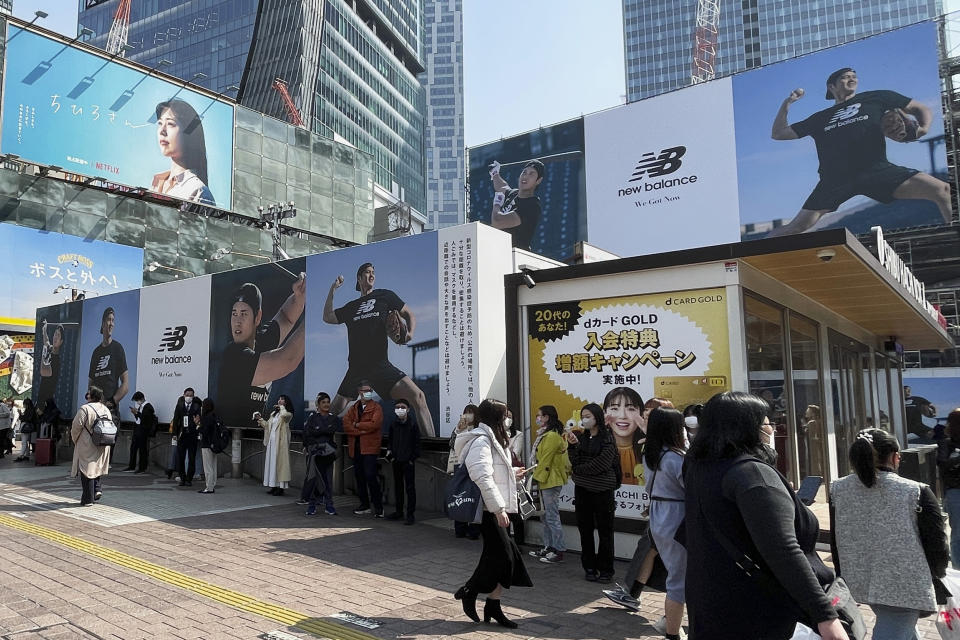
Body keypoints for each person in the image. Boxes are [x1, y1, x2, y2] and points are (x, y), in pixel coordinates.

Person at [683, 391, 845, 640]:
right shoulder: (753, 475)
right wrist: (825, 616)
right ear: (748, 427)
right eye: (767, 422)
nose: (771, 428)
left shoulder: (698, 465)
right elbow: (784, 551)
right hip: (759, 611)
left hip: (709, 602)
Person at [768, 68, 951, 237]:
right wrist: (787, 103)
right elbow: (778, 133)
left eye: (854, 76)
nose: (852, 78)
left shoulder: (877, 97)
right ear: (831, 86)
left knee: (943, 190)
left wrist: (924, 129)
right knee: (795, 228)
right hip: (835, 180)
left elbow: (920, 108)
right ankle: (752, 256)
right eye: (845, 76)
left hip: (877, 170)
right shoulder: (819, 118)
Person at [832, 427, 948, 639]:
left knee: (901, 628)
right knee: (895, 627)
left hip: (859, 577)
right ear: (895, 457)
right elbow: (937, 542)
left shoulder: (837, 489)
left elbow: (835, 538)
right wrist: (938, 573)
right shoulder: (916, 490)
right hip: (906, 582)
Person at [323, 263, 434, 438]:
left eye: (373, 272)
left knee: (419, 397)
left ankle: (432, 449)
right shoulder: (351, 307)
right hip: (356, 370)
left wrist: (410, 334)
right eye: (367, 272)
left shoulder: (385, 296)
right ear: (359, 279)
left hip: (380, 366)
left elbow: (409, 314)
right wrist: (333, 289)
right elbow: (327, 317)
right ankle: (316, 441)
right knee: (330, 413)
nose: (371, 275)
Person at [453, 398, 532, 629]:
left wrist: (513, 473)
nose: (508, 418)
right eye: (505, 414)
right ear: (496, 417)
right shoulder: (481, 440)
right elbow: (482, 476)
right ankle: (470, 591)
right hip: (489, 509)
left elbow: (494, 473)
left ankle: (492, 604)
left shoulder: (495, 439)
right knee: (505, 556)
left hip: (498, 506)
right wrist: (498, 509)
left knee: (499, 557)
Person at [216, 279, 306, 429]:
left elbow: (285, 317)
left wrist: (299, 295)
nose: (237, 321)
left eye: (243, 314)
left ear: (257, 317)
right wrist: (314, 315)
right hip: (232, 442)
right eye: (234, 314)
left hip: (256, 437)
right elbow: (288, 360)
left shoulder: (261, 342)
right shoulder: (234, 356)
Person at [642, 408, 688, 640]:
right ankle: (672, 632)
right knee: (678, 580)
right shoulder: (676, 457)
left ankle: (668, 622)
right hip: (676, 516)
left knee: (675, 573)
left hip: (659, 515)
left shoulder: (650, 453)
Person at [567, 402, 617, 583]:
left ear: (598, 418)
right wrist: (572, 446)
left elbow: (602, 464)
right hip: (582, 492)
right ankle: (589, 567)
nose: (584, 420)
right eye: (583, 416)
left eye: (588, 416)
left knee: (605, 532)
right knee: (585, 531)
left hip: (603, 491)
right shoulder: (580, 438)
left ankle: (606, 570)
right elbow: (574, 460)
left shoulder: (608, 438)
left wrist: (579, 471)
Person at [150, 98, 215, 205]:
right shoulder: (156, 183)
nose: (162, 131)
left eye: (170, 124)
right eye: (160, 123)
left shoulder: (198, 191)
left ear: (189, 133)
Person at [529, 405, 569, 564]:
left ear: (546, 417)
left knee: (551, 516)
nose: (537, 418)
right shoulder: (545, 434)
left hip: (549, 480)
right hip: (544, 478)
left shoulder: (551, 436)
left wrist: (536, 477)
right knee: (545, 516)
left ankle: (558, 550)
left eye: (539, 415)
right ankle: (549, 547)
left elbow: (545, 460)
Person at [342, 381, 384, 516]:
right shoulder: (353, 408)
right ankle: (364, 505)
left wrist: (357, 425)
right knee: (359, 477)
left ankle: (378, 507)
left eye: (369, 390)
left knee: (371, 476)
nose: (367, 392)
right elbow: (346, 425)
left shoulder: (376, 407)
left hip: (370, 449)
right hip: (356, 448)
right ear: (359, 392)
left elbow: (374, 424)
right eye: (364, 390)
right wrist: (360, 431)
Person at [488, 159, 545, 251]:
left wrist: (497, 203)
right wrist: (495, 173)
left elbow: (497, 222)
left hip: (514, 257)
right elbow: (502, 186)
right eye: (524, 172)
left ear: (538, 180)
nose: (526, 176)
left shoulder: (532, 206)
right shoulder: (514, 193)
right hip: (499, 252)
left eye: (531, 174)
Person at [71, 386, 113, 506]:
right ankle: (97, 489)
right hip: (104, 443)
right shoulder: (105, 409)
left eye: (88, 394)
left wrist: (76, 440)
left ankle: (88, 499)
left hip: (87, 444)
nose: (86, 395)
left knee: (87, 470)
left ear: (92, 396)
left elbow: (76, 427)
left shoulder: (85, 409)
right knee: (97, 467)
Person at [302, 392, 342, 516]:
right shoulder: (312, 417)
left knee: (328, 480)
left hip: (328, 454)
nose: (326, 404)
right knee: (313, 479)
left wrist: (318, 430)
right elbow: (307, 433)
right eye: (323, 402)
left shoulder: (334, 418)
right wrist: (318, 434)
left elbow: (331, 430)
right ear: (318, 404)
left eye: (328, 402)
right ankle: (312, 505)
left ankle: (329, 505)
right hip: (315, 453)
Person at [87, 306, 129, 417]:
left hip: (111, 413)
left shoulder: (117, 348)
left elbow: (125, 384)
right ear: (102, 323)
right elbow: (90, 383)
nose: (111, 323)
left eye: (113, 320)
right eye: (108, 320)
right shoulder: (96, 352)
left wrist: (113, 401)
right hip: (95, 410)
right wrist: (92, 400)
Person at [386, 398, 420, 525]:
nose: (400, 409)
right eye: (397, 407)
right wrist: (390, 453)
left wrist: (412, 459)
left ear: (408, 409)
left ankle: (410, 514)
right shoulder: (393, 424)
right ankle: (399, 512)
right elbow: (390, 440)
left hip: (408, 461)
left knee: (410, 488)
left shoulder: (413, 425)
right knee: (398, 487)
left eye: (403, 407)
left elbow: (417, 444)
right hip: (396, 460)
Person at [449, 404, 481, 539]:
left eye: (471, 412)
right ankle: (460, 528)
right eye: (466, 412)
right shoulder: (459, 429)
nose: (468, 415)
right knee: (459, 496)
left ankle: (474, 529)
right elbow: (451, 444)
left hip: (474, 468)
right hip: (459, 468)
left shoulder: (480, 430)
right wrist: (458, 430)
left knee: (473, 498)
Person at [604, 387, 647, 485]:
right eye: (614, 408)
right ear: (604, 413)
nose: (622, 415)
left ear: (641, 413)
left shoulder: (649, 447)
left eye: (631, 409)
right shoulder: (598, 446)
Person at [255, 395, 293, 496]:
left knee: (279, 465)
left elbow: (285, 416)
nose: (279, 400)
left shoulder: (287, 414)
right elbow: (268, 426)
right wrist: (260, 419)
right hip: (272, 443)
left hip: (280, 444)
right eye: (279, 398)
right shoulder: (274, 414)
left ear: (286, 402)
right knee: (272, 465)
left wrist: (281, 407)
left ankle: (280, 488)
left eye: (282, 399)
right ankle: (273, 486)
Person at [938, 409, 960, 567]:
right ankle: (958, 570)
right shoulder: (947, 443)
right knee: (958, 533)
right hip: (955, 491)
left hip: (954, 491)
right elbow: (943, 464)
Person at [505, 407, 527, 547]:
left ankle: (519, 543)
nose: (507, 419)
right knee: (504, 512)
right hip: (501, 477)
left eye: (510, 416)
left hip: (515, 476)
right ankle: (505, 543)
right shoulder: (494, 434)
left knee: (517, 513)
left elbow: (516, 452)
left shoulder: (518, 434)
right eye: (505, 416)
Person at [172, 388, 202, 486]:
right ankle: (182, 478)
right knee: (181, 457)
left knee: (191, 458)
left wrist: (197, 427)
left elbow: (199, 420)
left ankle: (189, 478)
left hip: (192, 435)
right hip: (182, 435)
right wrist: (174, 434)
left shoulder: (196, 406)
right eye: (187, 395)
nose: (189, 397)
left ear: (193, 396)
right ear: (184, 395)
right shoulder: (179, 406)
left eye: (191, 395)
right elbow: (176, 421)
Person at [122, 391, 155, 474]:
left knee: (142, 450)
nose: (137, 402)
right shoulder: (141, 407)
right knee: (133, 448)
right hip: (137, 429)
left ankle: (142, 468)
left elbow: (146, 419)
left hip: (144, 431)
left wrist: (137, 413)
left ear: (142, 399)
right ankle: (131, 466)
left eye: (137, 400)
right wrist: (135, 413)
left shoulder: (148, 407)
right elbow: (139, 418)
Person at [37, 322, 64, 408]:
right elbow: (46, 341)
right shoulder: (49, 348)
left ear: (61, 342)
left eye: (58, 335)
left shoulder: (56, 360)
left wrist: (44, 358)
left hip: (47, 399)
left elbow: (44, 372)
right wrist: (44, 330)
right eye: (55, 334)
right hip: (41, 395)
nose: (55, 337)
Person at [196, 398, 219, 494]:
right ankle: (212, 484)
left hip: (206, 444)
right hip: (214, 444)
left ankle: (209, 487)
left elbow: (204, 431)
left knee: (207, 466)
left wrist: (197, 425)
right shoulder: (214, 416)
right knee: (213, 465)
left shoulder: (206, 417)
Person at [38, 398, 62, 462]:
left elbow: (51, 419)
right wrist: (41, 415)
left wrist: (46, 420)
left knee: (53, 445)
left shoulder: (55, 411)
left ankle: (52, 458)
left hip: (52, 431)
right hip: (45, 431)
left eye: (46, 403)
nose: (45, 405)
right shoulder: (47, 410)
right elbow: (43, 418)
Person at [13, 398, 37, 462]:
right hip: (29, 427)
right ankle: (26, 455)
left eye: (24, 404)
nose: (24, 405)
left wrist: (20, 414)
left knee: (24, 442)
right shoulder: (31, 410)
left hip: (26, 427)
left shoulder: (29, 411)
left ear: (27, 404)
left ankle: (21, 455)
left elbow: (26, 419)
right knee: (25, 442)